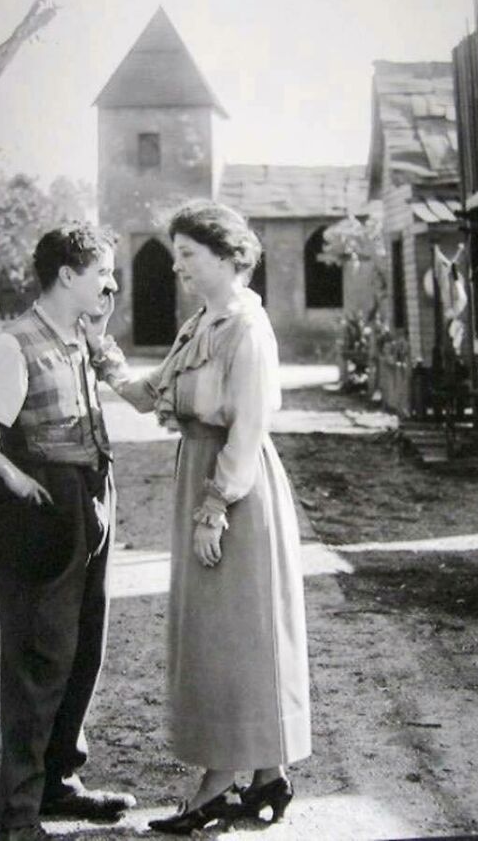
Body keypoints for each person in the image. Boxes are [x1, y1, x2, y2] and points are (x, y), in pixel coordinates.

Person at [88, 200, 311, 834]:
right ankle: (266, 775)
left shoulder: (247, 328)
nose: (179, 266)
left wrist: (216, 507)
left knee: (239, 629)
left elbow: (248, 427)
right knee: (220, 632)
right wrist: (101, 353)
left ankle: (216, 783)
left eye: (189, 254)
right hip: (200, 472)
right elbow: (150, 394)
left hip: (236, 489)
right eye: (179, 254)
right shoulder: (199, 325)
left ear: (227, 256)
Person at [0, 223, 136, 841]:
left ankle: (60, 781)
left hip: (91, 496)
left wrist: (100, 336)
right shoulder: (12, 344)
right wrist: (8, 472)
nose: (110, 282)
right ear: (68, 275)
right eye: (102, 271)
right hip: (43, 508)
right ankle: (17, 815)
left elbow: (119, 383)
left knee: (83, 648)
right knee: (37, 656)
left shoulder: (78, 334)